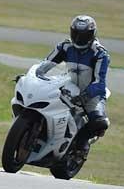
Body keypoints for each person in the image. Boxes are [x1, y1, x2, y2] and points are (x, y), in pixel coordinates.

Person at [35, 15, 110, 156]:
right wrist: (34, 75)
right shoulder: (65, 46)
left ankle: (81, 144)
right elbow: (45, 64)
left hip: (91, 94)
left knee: (101, 123)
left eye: (83, 35)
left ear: (92, 35)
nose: (78, 38)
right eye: (76, 34)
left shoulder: (100, 54)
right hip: (67, 86)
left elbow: (100, 83)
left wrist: (85, 96)